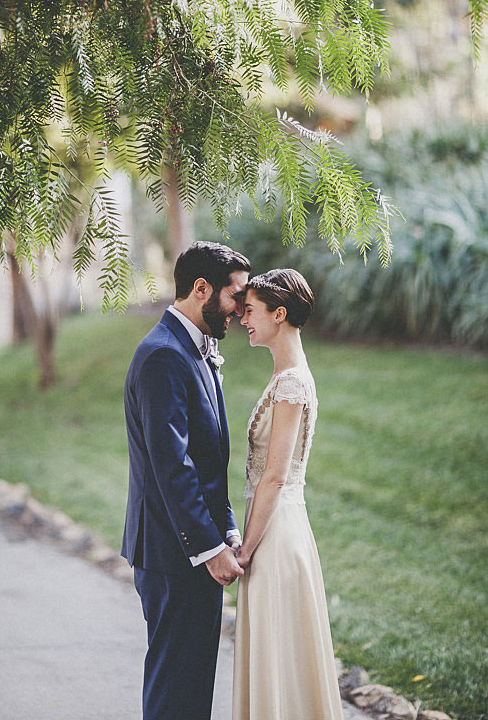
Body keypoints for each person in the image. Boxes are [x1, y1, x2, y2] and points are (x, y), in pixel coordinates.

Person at [121, 241, 250, 720]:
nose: (241, 309)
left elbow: (208, 461)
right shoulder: (162, 356)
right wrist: (210, 547)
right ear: (202, 289)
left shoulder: (194, 350)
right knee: (175, 689)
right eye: (236, 296)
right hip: (173, 554)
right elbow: (171, 465)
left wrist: (228, 529)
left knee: (192, 687)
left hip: (192, 550)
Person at [232, 268, 344, 720]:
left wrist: (245, 551)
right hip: (277, 527)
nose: (243, 319)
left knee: (280, 658)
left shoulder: (292, 383)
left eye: (251, 311)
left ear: (279, 314)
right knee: (280, 658)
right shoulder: (286, 378)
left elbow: (275, 477)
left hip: (275, 536)